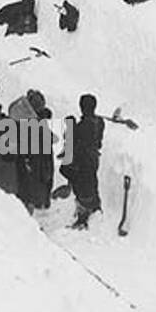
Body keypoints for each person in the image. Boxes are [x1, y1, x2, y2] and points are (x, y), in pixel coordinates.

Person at [61, 94, 104, 228]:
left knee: (81, 187)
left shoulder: (81, 127)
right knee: (92, 183)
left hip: (82, 161)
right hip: (93, 159)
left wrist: (70, 127)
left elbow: (71, 145)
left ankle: (83, 218)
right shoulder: (100, 122)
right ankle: (95, 208)